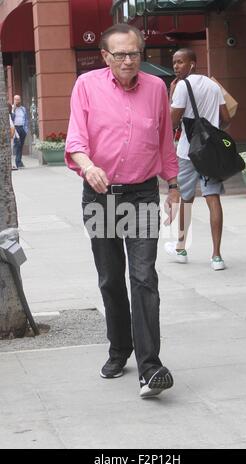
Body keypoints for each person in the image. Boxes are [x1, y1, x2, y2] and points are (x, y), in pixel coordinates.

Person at [65, 24, 179, 398]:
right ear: (105, 57)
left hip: (143, 194)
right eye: (120, 55)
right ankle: (119, 348)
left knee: (144, 276)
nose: (128, 61)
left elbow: (164, 140)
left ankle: (150, 367)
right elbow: (76, 140)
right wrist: (88, 165)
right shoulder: (87, 86)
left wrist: (174, 185)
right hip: (100, 195)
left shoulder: (157, 89)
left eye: (134, 53)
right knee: (111, 278)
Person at [164, 48, 231, 271]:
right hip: (210, 152)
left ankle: (181, 248)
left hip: (187, 152)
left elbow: (172, 122)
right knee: (213, 198)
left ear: (193, 63)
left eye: (180, 62)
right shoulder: (214, 85)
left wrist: (171, 95)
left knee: (186, 199)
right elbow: (226, 118)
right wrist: (211, 133)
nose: (176, 66)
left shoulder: (182, 86)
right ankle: (217, 256)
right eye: (174, 62)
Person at [12, 95, 28, 168]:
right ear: (14, 100)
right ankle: (18, 162)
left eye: (18, 99)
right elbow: (11, 118)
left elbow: (26, 119)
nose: (17, 101)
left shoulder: (23, 109)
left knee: (21, 145)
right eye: (16, 99)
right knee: (18, 145)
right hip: (15, 129)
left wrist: (26, 130)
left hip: (22, 128)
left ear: (20, 100)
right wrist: (14, 109)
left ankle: (19, 161)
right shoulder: (12, 108)